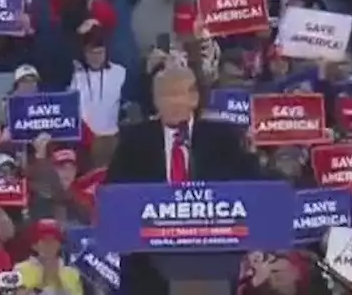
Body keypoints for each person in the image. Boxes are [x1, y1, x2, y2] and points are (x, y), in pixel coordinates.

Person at [106, 66, 261, 295]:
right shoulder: (134, 141)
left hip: (209, 262)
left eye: (177, 94)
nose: (171, 102)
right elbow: (113, 195)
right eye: (164, 95)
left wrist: (252, 155)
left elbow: (250, 192)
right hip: (148, 264)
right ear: (155, 101)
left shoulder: (224, 139)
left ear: (194, 98)